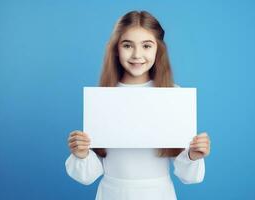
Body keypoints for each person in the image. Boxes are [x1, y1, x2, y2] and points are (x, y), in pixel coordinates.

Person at [65, 10, 211, 200]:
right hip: (112, 193)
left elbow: (187, 176)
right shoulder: (103, 98)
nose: (137, 54)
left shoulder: (171, 94)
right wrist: (82, 153)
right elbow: (89, 175)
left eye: (146, 46)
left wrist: (193, 154)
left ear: (158, 49)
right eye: (127, 45)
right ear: (116, 49)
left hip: (159, 194)